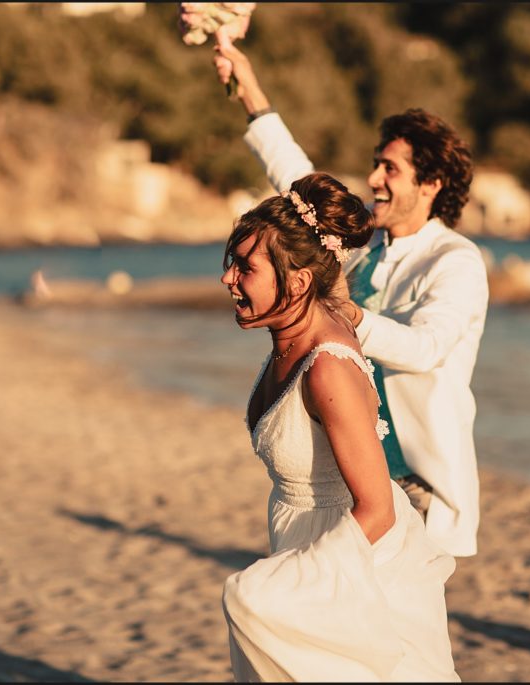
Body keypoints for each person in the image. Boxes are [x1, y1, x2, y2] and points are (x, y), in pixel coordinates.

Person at [214, 39, 489, 558]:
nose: (373, 179)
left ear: (430, 183)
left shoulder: (456, 261)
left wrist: (346, 315)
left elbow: (428, 348)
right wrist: (249, 89)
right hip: (337, 471)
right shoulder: (359, 244)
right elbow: (297, 185)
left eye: (390, 169)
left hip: (412, 481)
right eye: (375, 165)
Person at [220, 171, 459, 682]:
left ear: (299, 281)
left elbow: (378, 510)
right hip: (304, 537)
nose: (228, 279)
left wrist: (294, 583)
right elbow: (309, 221)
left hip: (358, 560)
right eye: (231, 263)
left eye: (245, 267)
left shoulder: (328, 368)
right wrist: (255, 107)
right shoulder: (299, 320)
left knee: (248, 601)